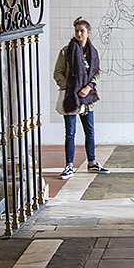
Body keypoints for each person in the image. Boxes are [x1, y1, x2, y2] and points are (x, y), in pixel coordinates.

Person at [52, 17, 110, 180]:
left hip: (87, 98)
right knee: (70, 132)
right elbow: (58, 73)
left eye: (82, 31)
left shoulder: (93, 52)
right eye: (77, 31)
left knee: (89, 131)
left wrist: (89, 87)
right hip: (71, 97)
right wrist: (70, 88)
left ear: (88, 33)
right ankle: (69, 166)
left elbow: (97, 72)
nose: (79, 34)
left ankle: (92, 162)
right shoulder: (66, 51)